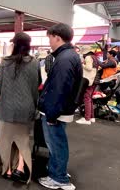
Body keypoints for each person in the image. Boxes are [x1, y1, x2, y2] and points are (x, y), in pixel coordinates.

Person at [38, 23, 82, 190]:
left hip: (56, 111)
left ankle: (59, 178)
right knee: (59, 143)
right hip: (62, 109)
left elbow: (59, 89)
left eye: (50, 37)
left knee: (56, 144)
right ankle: (59, 171)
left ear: (57, 36)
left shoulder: (64, 59)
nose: (49, 41)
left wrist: (51, 114)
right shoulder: (70, 55)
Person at [0, 32, 40, 184]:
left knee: (6, 140)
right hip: (26, 108)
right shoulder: (35, 62)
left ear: (15, 45)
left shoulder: (5, 62)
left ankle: (8, 170)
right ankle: (20, 167)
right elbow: (36, 86)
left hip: (7, 108)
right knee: (23, 140)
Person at [76, 46, 98, 125]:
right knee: (90, 98)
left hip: (88, 80)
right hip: (94, 79)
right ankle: (92, 117)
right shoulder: (94, 57)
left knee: (87, 98)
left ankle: (87, 118)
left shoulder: (88, 57)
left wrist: (82, 64)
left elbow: (89, 68)